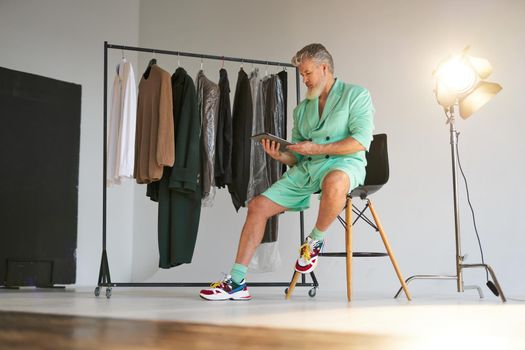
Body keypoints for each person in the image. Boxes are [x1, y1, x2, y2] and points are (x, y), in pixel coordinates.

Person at [199, 43, 375, 301]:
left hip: (344, 164)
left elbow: (360, 141)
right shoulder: (302, 109)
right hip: (308, 168)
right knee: (257, 205)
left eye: (307, 73)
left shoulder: (356, 95)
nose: (303, 79)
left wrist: (316, 148)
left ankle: (314, 241)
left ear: (324, 68)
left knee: (336, 181)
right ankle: (236, 282)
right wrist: (280, 155)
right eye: (302, 74)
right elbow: (298, 156)